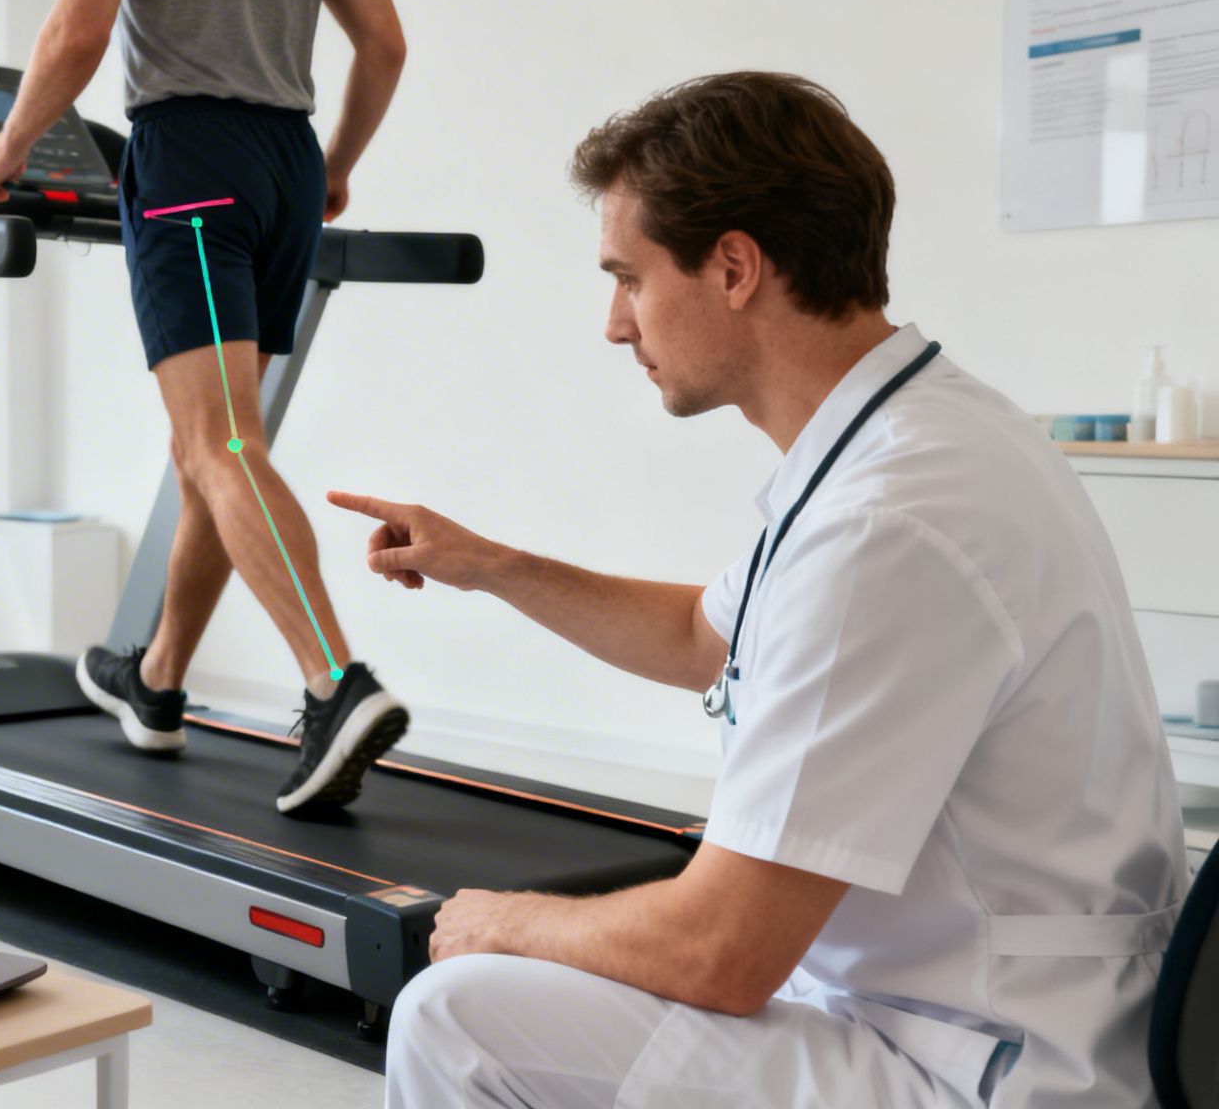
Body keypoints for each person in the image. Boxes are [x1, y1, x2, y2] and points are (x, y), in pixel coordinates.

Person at [333, 72, 1187, 1106]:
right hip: (963, 1014)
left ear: (733, 268)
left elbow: (722, 951)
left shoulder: (888, 522)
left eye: (629, 278)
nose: (614, 324)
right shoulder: (915, 436)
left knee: (456, 1016)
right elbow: (704, 636)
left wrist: (501, 920)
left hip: (985, 1066)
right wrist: (490, 566)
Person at [0, 0, 412, 814]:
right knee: (208, 449)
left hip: (191, 159)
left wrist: (10, 144)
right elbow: (385, 45)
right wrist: (335, 165)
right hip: (287, 168)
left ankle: (335, 681)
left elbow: (78, 33)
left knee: (223, 445)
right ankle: (159, 680)